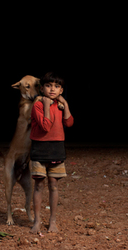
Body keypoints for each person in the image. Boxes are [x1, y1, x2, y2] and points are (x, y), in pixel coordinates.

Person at [29, 72, 74, 233]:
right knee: (39, 185)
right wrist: (47, 105)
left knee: (54, 185)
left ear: (61, 90)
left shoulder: (60, 105)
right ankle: (37, 221)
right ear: (42, 89)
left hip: (56, 148)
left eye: (56, 86)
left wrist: (65, 104)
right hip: (40, 148)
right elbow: (46, 126)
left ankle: (52, 221)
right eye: (48, 86)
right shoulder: (38, 105)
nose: (52, 89)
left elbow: (69, 123)